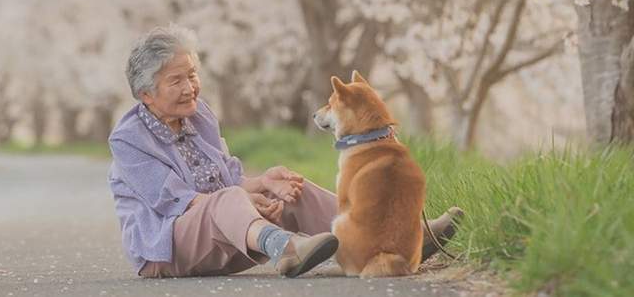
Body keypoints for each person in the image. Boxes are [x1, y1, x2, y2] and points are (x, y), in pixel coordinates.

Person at [108, 25, 461, 278]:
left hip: (230, 236)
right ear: (146, 95)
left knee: (293, 189)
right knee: (229, 199)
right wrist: (244, 199)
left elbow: (226, 181)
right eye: (176, 80)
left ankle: (399, 238)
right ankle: (286, 248)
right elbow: (179, 201)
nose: (191, 87)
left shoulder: (199, 115)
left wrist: (265, 183)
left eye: (192, 74)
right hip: (168, 253)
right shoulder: (128, 140)